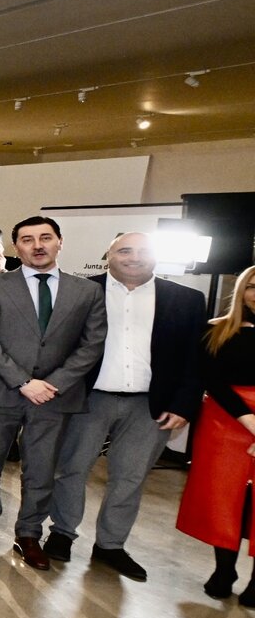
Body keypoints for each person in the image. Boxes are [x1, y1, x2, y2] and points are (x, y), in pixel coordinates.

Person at [47, 233, 205, 579]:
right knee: (70, 468)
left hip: (151, 406)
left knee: (129, 477)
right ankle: (61, 533)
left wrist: (184, 405)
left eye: (143, 251)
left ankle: (111, 545)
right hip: (88, 399)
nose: (134, 257)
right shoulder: (79, 292)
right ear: (109, 256)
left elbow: (195, 359)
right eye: (124, 250)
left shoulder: (187, 300)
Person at [0, 216, 108, 570]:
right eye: (27, 240)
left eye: (45, 238)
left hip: (55, 397)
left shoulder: (86, 291)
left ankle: (28, 534)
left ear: (60, 242)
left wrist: (54, 383)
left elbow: (92, 344)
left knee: (41, 469)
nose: (37, 245)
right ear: (17, 247)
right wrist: (23, 382)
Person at [179, 266, 255, 602]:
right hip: (224, 422)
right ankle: (225, 568)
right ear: (241, 290)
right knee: (222, 498)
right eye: (251, 286)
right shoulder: (216, 329)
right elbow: (211, 379)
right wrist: (250, 421)